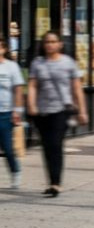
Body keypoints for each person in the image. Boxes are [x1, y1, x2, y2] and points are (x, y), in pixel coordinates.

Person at [26, 32, 87, 197]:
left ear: (60, 44)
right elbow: (32, 85)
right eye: (47, 42)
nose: (50, 45)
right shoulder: (38, 63)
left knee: (55, 144)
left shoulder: (68, 63)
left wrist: (82, 110)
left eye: (53, 42)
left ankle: (56, 183)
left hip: (61, 110)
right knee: (47, 146)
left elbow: (76, 88)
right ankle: (51, 180)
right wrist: (31, 104)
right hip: (42, 111)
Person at [0, 43, 24, 189]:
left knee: (8, 148)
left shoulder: (11, 66)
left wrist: (17, 110)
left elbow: (19, 89)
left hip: (5, 112)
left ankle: (15, 171)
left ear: (3, 49)